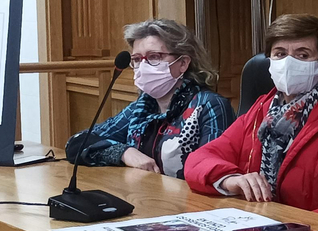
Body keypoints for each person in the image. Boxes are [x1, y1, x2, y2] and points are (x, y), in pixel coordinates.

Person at [184, 14, 318, 218]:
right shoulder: (262, 110)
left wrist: (296, 223)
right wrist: (230, 179)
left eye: (302, 55)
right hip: (263, 228)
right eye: (280, 54)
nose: (288, 63)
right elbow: (198, 160)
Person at [65, 19, 233, 176]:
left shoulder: (209, 105)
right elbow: (77, 143)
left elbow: (213, 173)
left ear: (183, 63)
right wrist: (124, 152)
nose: (143, 66)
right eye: (137, 59)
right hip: (145, 197)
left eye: (154, 57)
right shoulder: (143, 107)